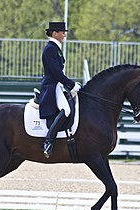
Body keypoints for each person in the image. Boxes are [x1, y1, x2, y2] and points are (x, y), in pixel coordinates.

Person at [39, 21, 81, 158]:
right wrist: (72, 85)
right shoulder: (50, 49)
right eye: (62, 32)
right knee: (66, 110)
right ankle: (48, 141)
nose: (64, 35)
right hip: (51, 85)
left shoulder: (55, 48)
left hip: (57, 84)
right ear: (54, 33)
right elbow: (57, 73)